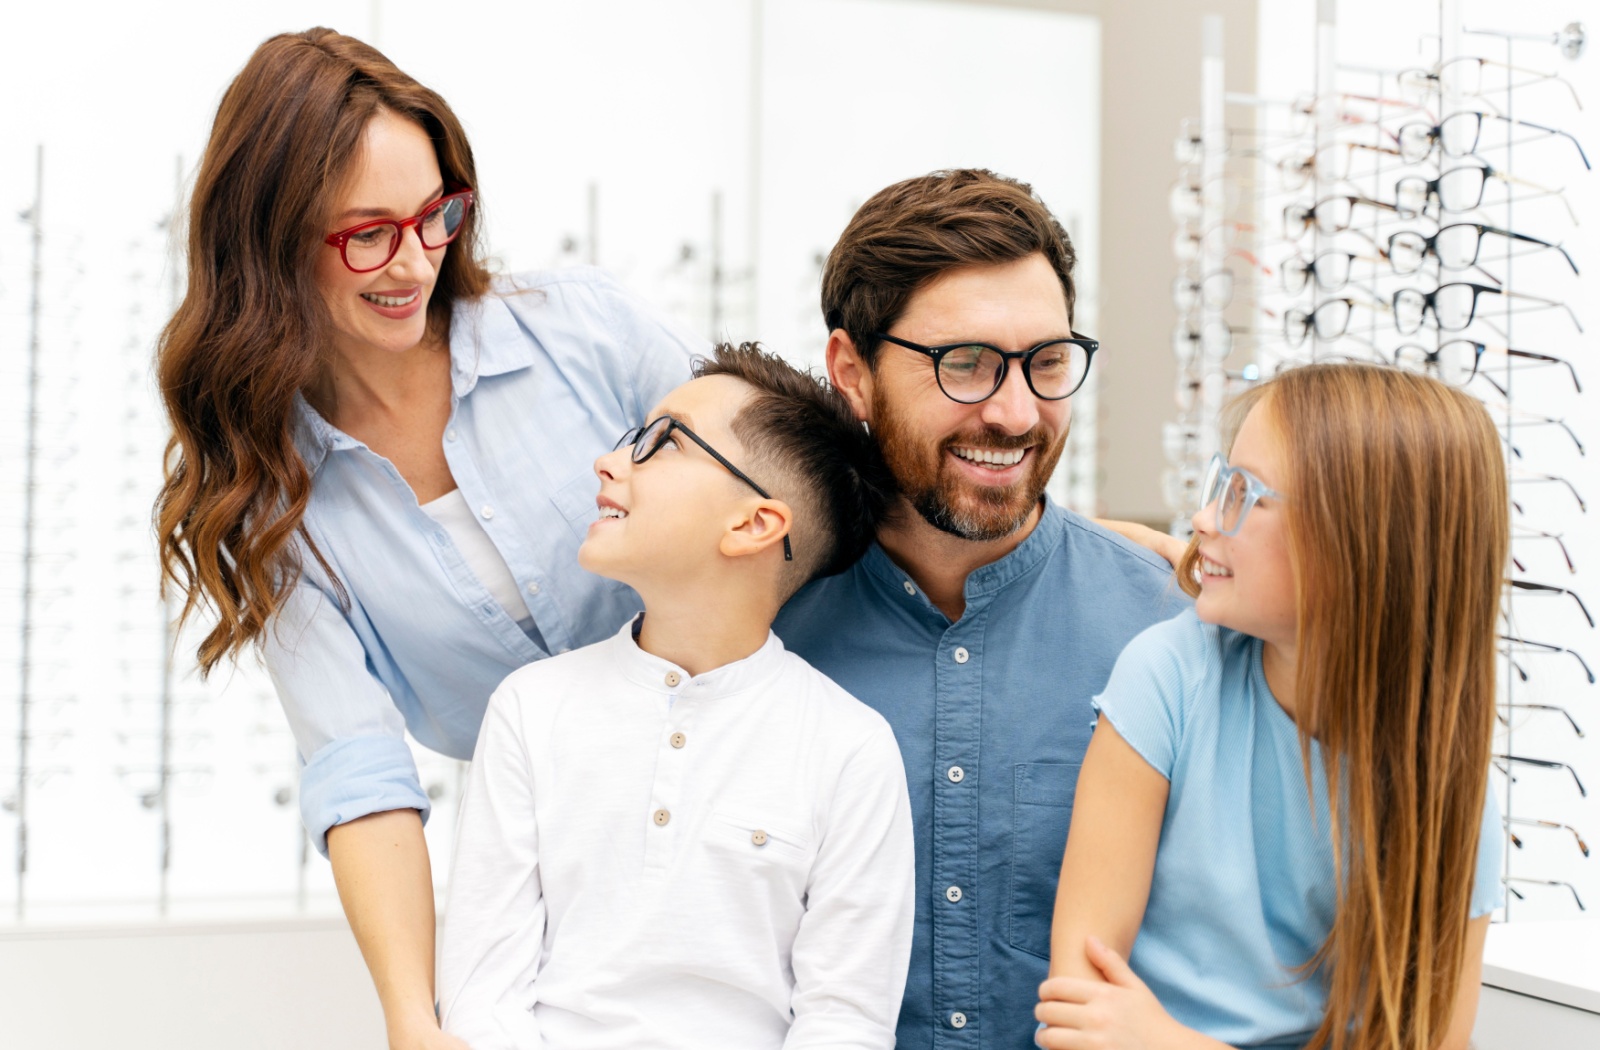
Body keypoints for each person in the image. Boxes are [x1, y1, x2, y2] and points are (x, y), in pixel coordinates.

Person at [154, 29, 695, 1050]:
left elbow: (783, 490)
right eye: (367, 233)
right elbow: (359, 771)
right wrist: (413, 1016)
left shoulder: (583, 333)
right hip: (563, 883)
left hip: (759, 797)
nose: (414, 261)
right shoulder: (267, 503)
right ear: (269, 246)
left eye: (436, 215)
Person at [772, 169, 1188, 1049]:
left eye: (1046, 363)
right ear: (852, 370)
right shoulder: (761, 631)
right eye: (964, 364)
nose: (1014, 412)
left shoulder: (1167, 629)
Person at [437, 343, 914, 1049]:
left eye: (663, 444)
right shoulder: (530, 709)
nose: (610, 461)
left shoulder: (850, 746)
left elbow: (845, 1019)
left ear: (754, 525)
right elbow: (482, 992)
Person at [1037, 363, 1505, 1050]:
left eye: (1244, 494)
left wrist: (1172, 1044)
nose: (1203, 519)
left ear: (1358, 543)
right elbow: (1079, 1018)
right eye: (1219, 483)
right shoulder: (1167, 676)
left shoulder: (1450, 791)